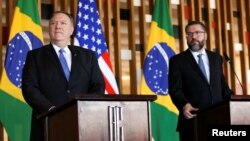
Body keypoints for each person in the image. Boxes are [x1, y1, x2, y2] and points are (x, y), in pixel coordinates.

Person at [22, 11, 105, 141]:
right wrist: (51, 110)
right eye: (53, 23)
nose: (58, 26)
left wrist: (86, 109)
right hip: (47, 122)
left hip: (83, 124)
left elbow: (98, 85)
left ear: (71, 30)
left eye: (63, 23)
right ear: (49, 28)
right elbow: (29, 88)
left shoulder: (88, 56)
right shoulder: (35, 56)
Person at [168, 21, 232, 141]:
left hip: (220, 121)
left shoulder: (216, 58)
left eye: (197, 33)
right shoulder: (177, 61)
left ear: (205, 35)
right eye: (189, 34)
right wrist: (184, 104)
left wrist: (236, 102)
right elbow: (175, 89)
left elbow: (222, 86)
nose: (193, 37)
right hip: (192, 121)